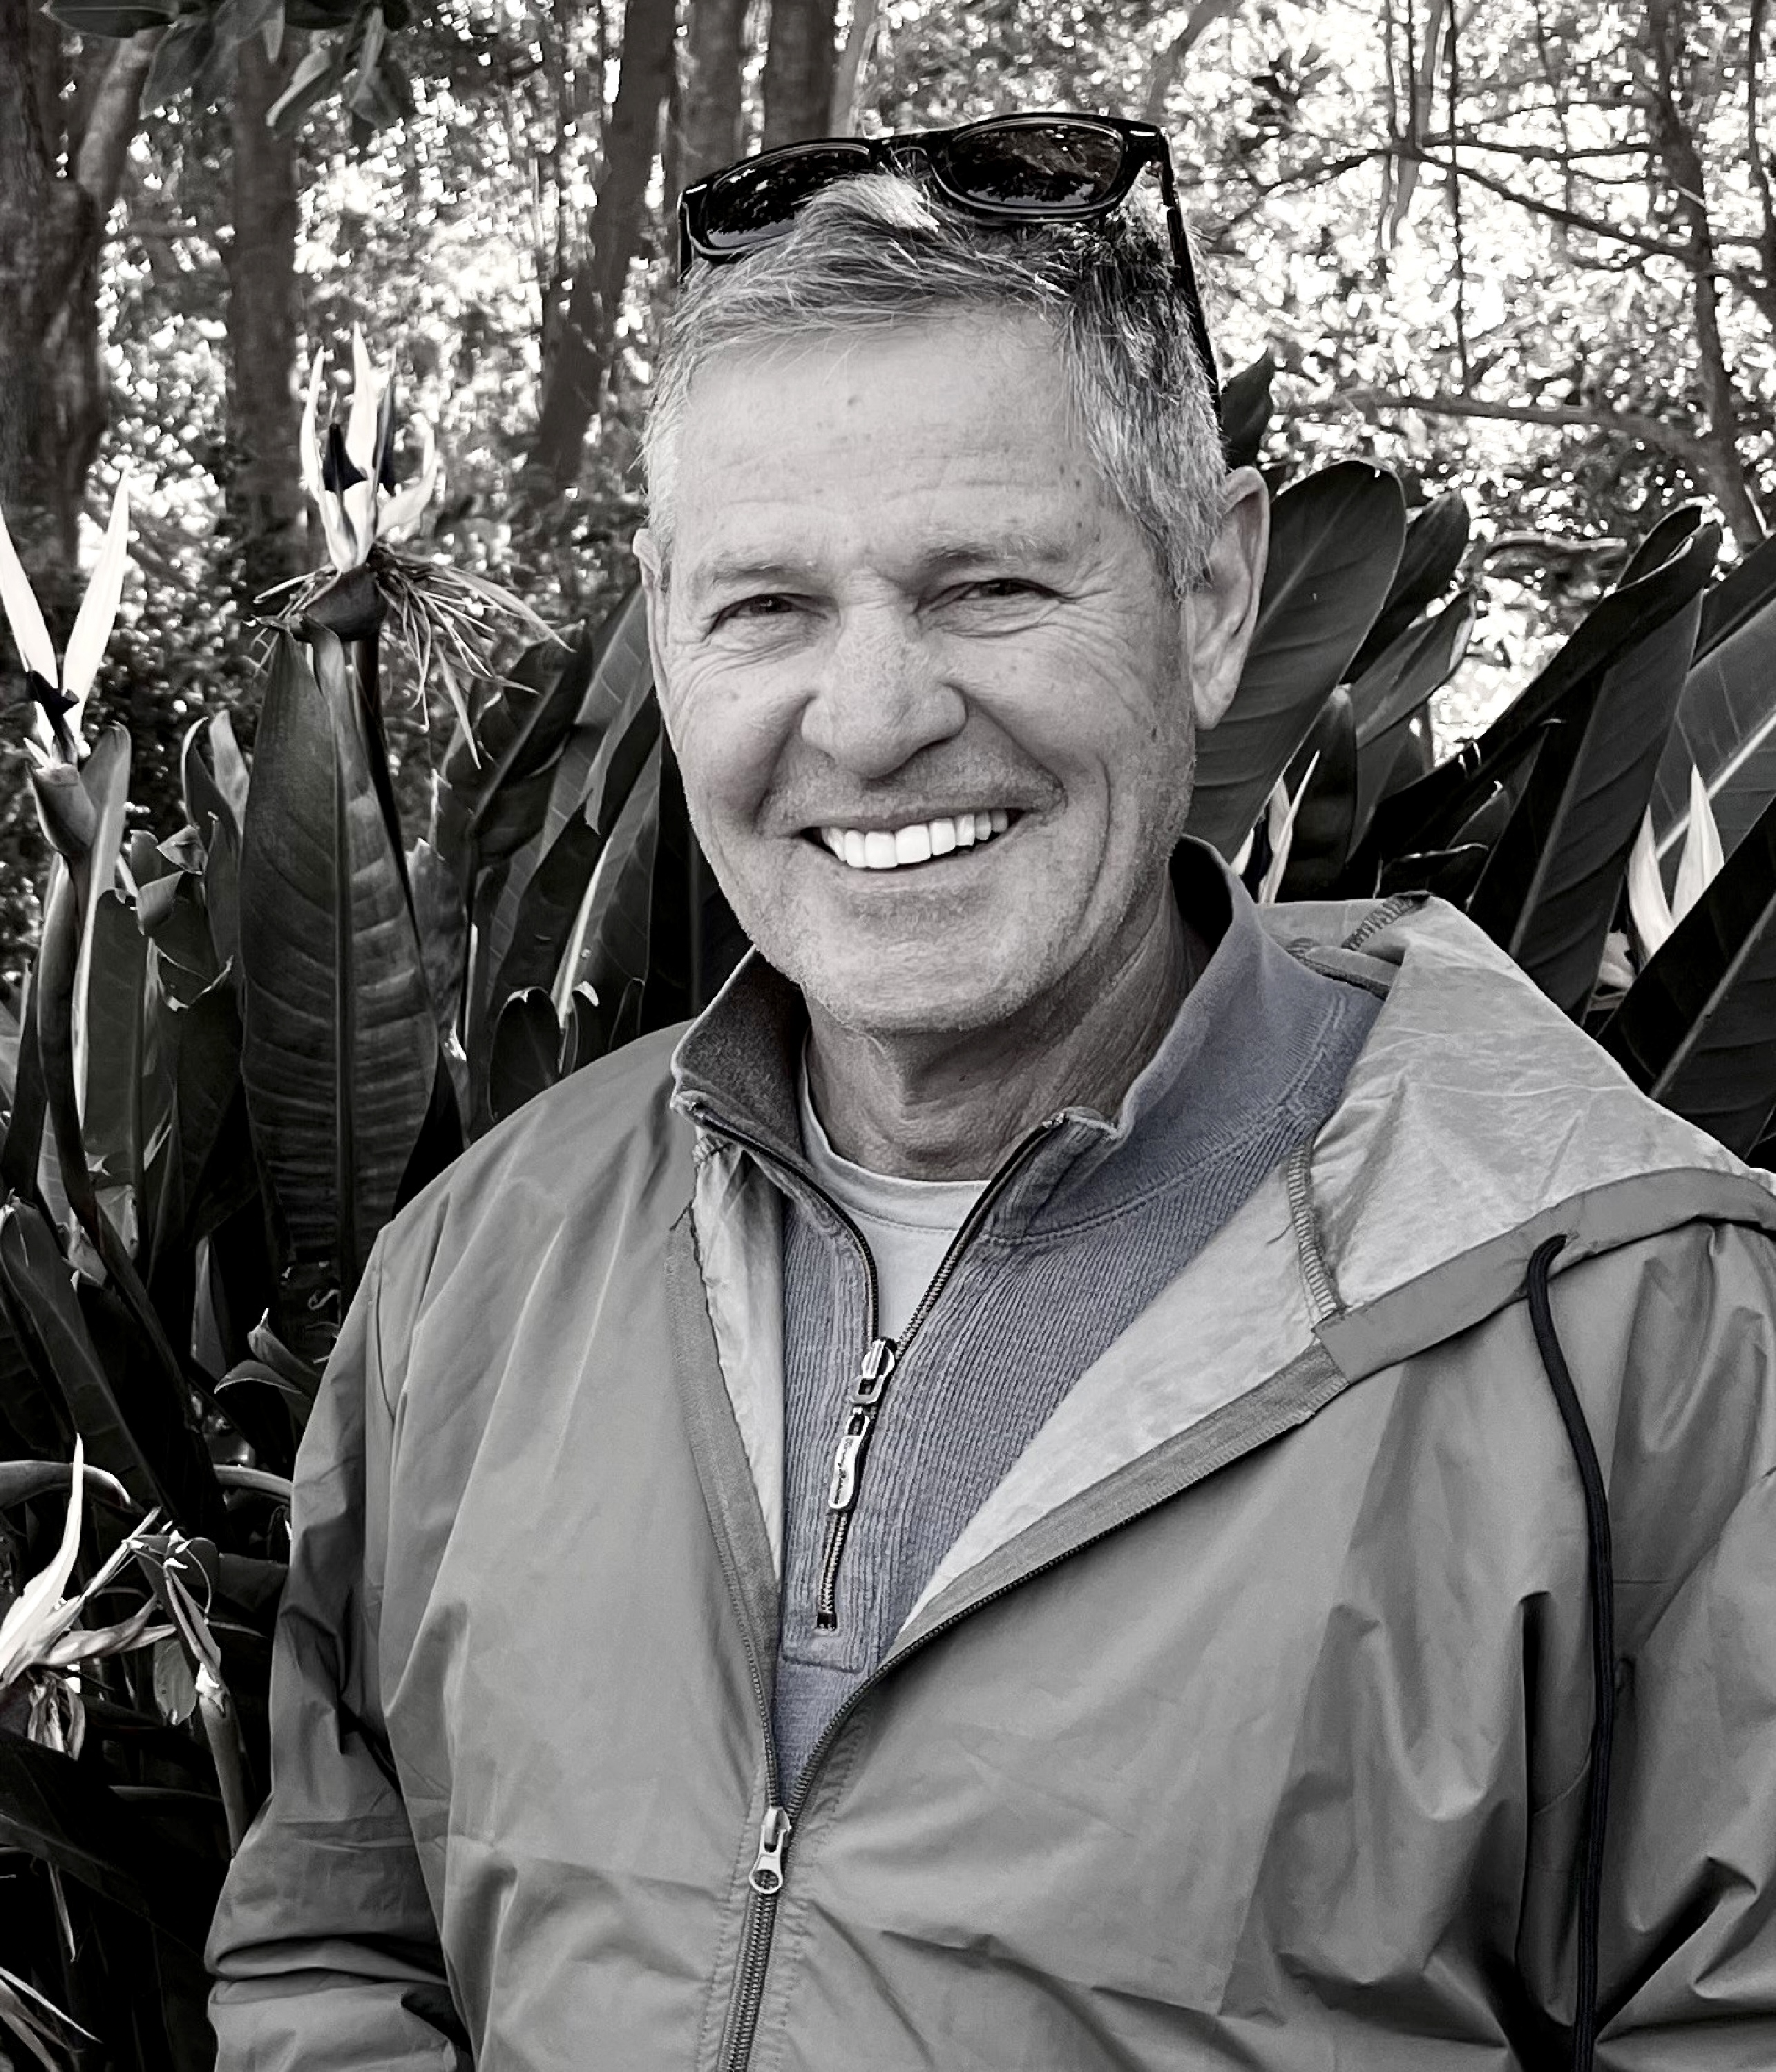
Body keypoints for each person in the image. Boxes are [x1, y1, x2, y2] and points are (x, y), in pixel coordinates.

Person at [208, 115, 1776, 2070]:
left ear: (1213, 595)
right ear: (664, 629)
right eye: (766, 607)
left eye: (990, 588)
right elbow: (337, 1943)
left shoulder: (1626, 1321)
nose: (872, 720)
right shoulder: (481, 1265)